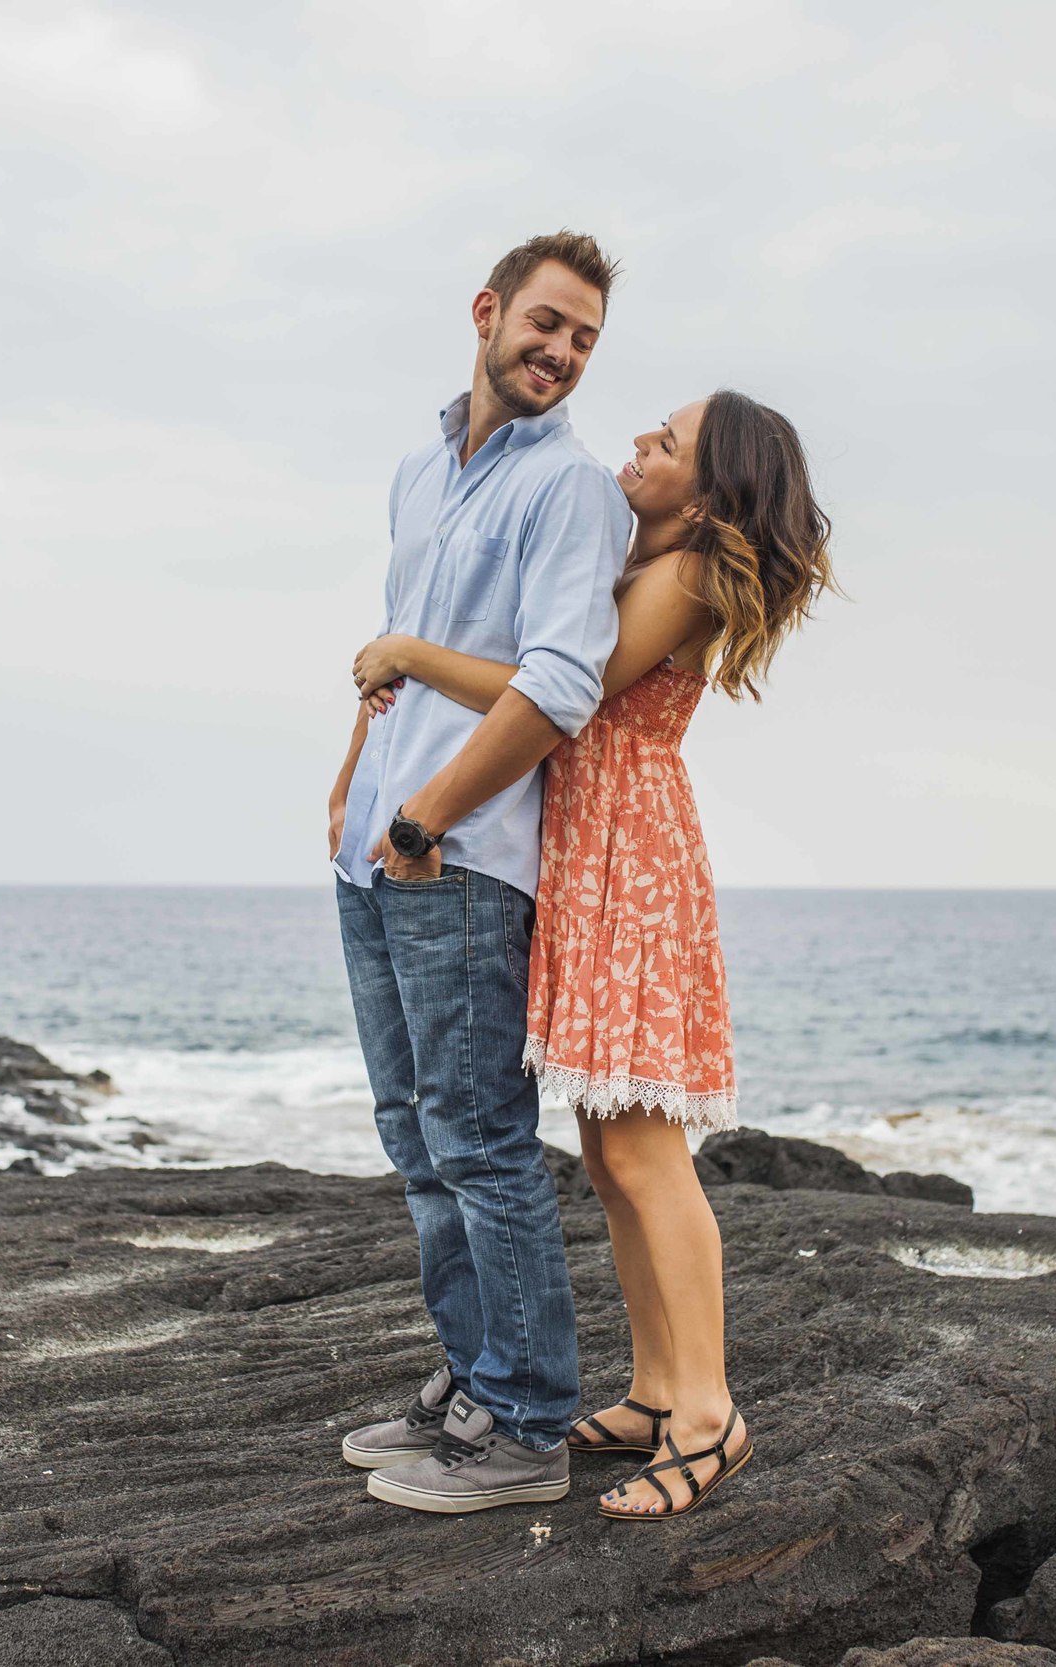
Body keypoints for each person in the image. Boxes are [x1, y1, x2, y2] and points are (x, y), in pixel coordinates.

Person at [349, 389, 835, 1519]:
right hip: (590, 851)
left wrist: (410, 652)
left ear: (710, 491)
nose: (638, 446)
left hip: (629, 856)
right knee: (609, 1153)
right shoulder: (649, 556)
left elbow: (560, 692)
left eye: (665, 444)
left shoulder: (690, 575)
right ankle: (657, 1386)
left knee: (648, 1154)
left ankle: (710, 1414)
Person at [329, 230, 632, 1514]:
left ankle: (523, 1426)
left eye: (582, 339)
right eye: (546, 323)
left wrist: (424, 816)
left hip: (460, 858)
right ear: (487, 309)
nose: (559, 352)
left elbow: (561, 682)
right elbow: (399, 656)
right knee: (415, 1140)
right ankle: (473, 1379)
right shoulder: (417, 469)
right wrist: (353, 783)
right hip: (378, 852)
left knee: (479, 1144)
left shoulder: (572, 492)